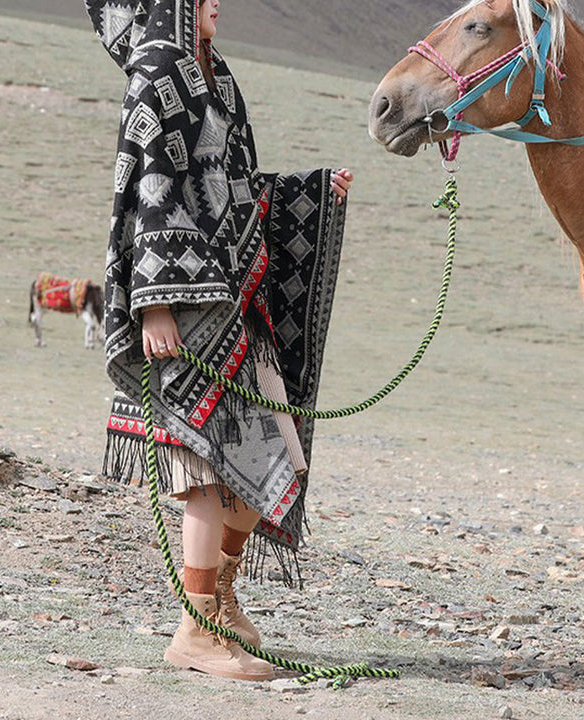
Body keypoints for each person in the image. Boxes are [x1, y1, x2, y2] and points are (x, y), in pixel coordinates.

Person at [85, 0, 353, 680]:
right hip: (183, 304)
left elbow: (230, 188)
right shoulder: (158, 67)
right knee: (207, 471)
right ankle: (195, 628)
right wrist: (156, 304)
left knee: (280, 457)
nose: (218, 6)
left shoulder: (217, 73)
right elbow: (151, 190)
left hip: (239, 297)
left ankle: (221, 599)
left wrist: (311, 192)